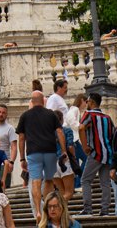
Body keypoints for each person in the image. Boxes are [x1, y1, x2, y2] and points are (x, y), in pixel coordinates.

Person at [16, 90, 67, 222]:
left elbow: (21, 138)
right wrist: (63, 150)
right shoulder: (51, 114)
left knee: (36, 182)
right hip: (50, 152)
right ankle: (47, 206)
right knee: (49, 180)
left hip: (33, 153)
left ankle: (39, 211)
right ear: (44, 101)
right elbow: (60, 132)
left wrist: (22, 158)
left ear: (32, 101)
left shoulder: (25, 116)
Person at [78, 91, 115, 217]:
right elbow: (113, 134)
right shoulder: (107, 118)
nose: (86, 103)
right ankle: (105, 210)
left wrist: (84, 146)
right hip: (108, 154)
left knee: (85, 180)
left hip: (95, 153)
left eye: (87, 101)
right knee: (105, 182)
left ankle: (88, 209)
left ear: (92, 102)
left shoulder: (88, 114)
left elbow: (81, 128)